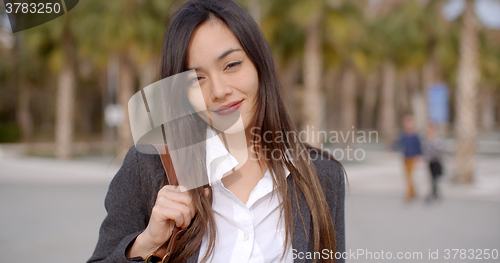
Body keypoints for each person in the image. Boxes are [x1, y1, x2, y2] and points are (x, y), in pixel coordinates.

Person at [88, 0, 345, 262]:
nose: (219, 90)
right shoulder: (149, 167)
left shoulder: (322, 176)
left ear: (259, 64)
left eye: (231, 65)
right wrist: (148, 243)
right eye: (196, 78)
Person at [394, 114, 422, 201]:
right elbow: (398, 144)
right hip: (405, 157)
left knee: (410, 176)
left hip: (412, 158)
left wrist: (418, 156)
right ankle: (413, 192)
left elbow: (419, 147)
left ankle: (409, 194)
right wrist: (391, 149)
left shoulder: (415, 135)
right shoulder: (404, 135)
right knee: (407, 176)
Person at [422, 123, 444, 202]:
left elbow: (440, 149)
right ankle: (433, 192)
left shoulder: (437, 138)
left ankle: (435, 193)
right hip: (429, 161)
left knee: (436, 178)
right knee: (431, 178)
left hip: (436, 161)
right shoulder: (426, 138)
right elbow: (424, 148)